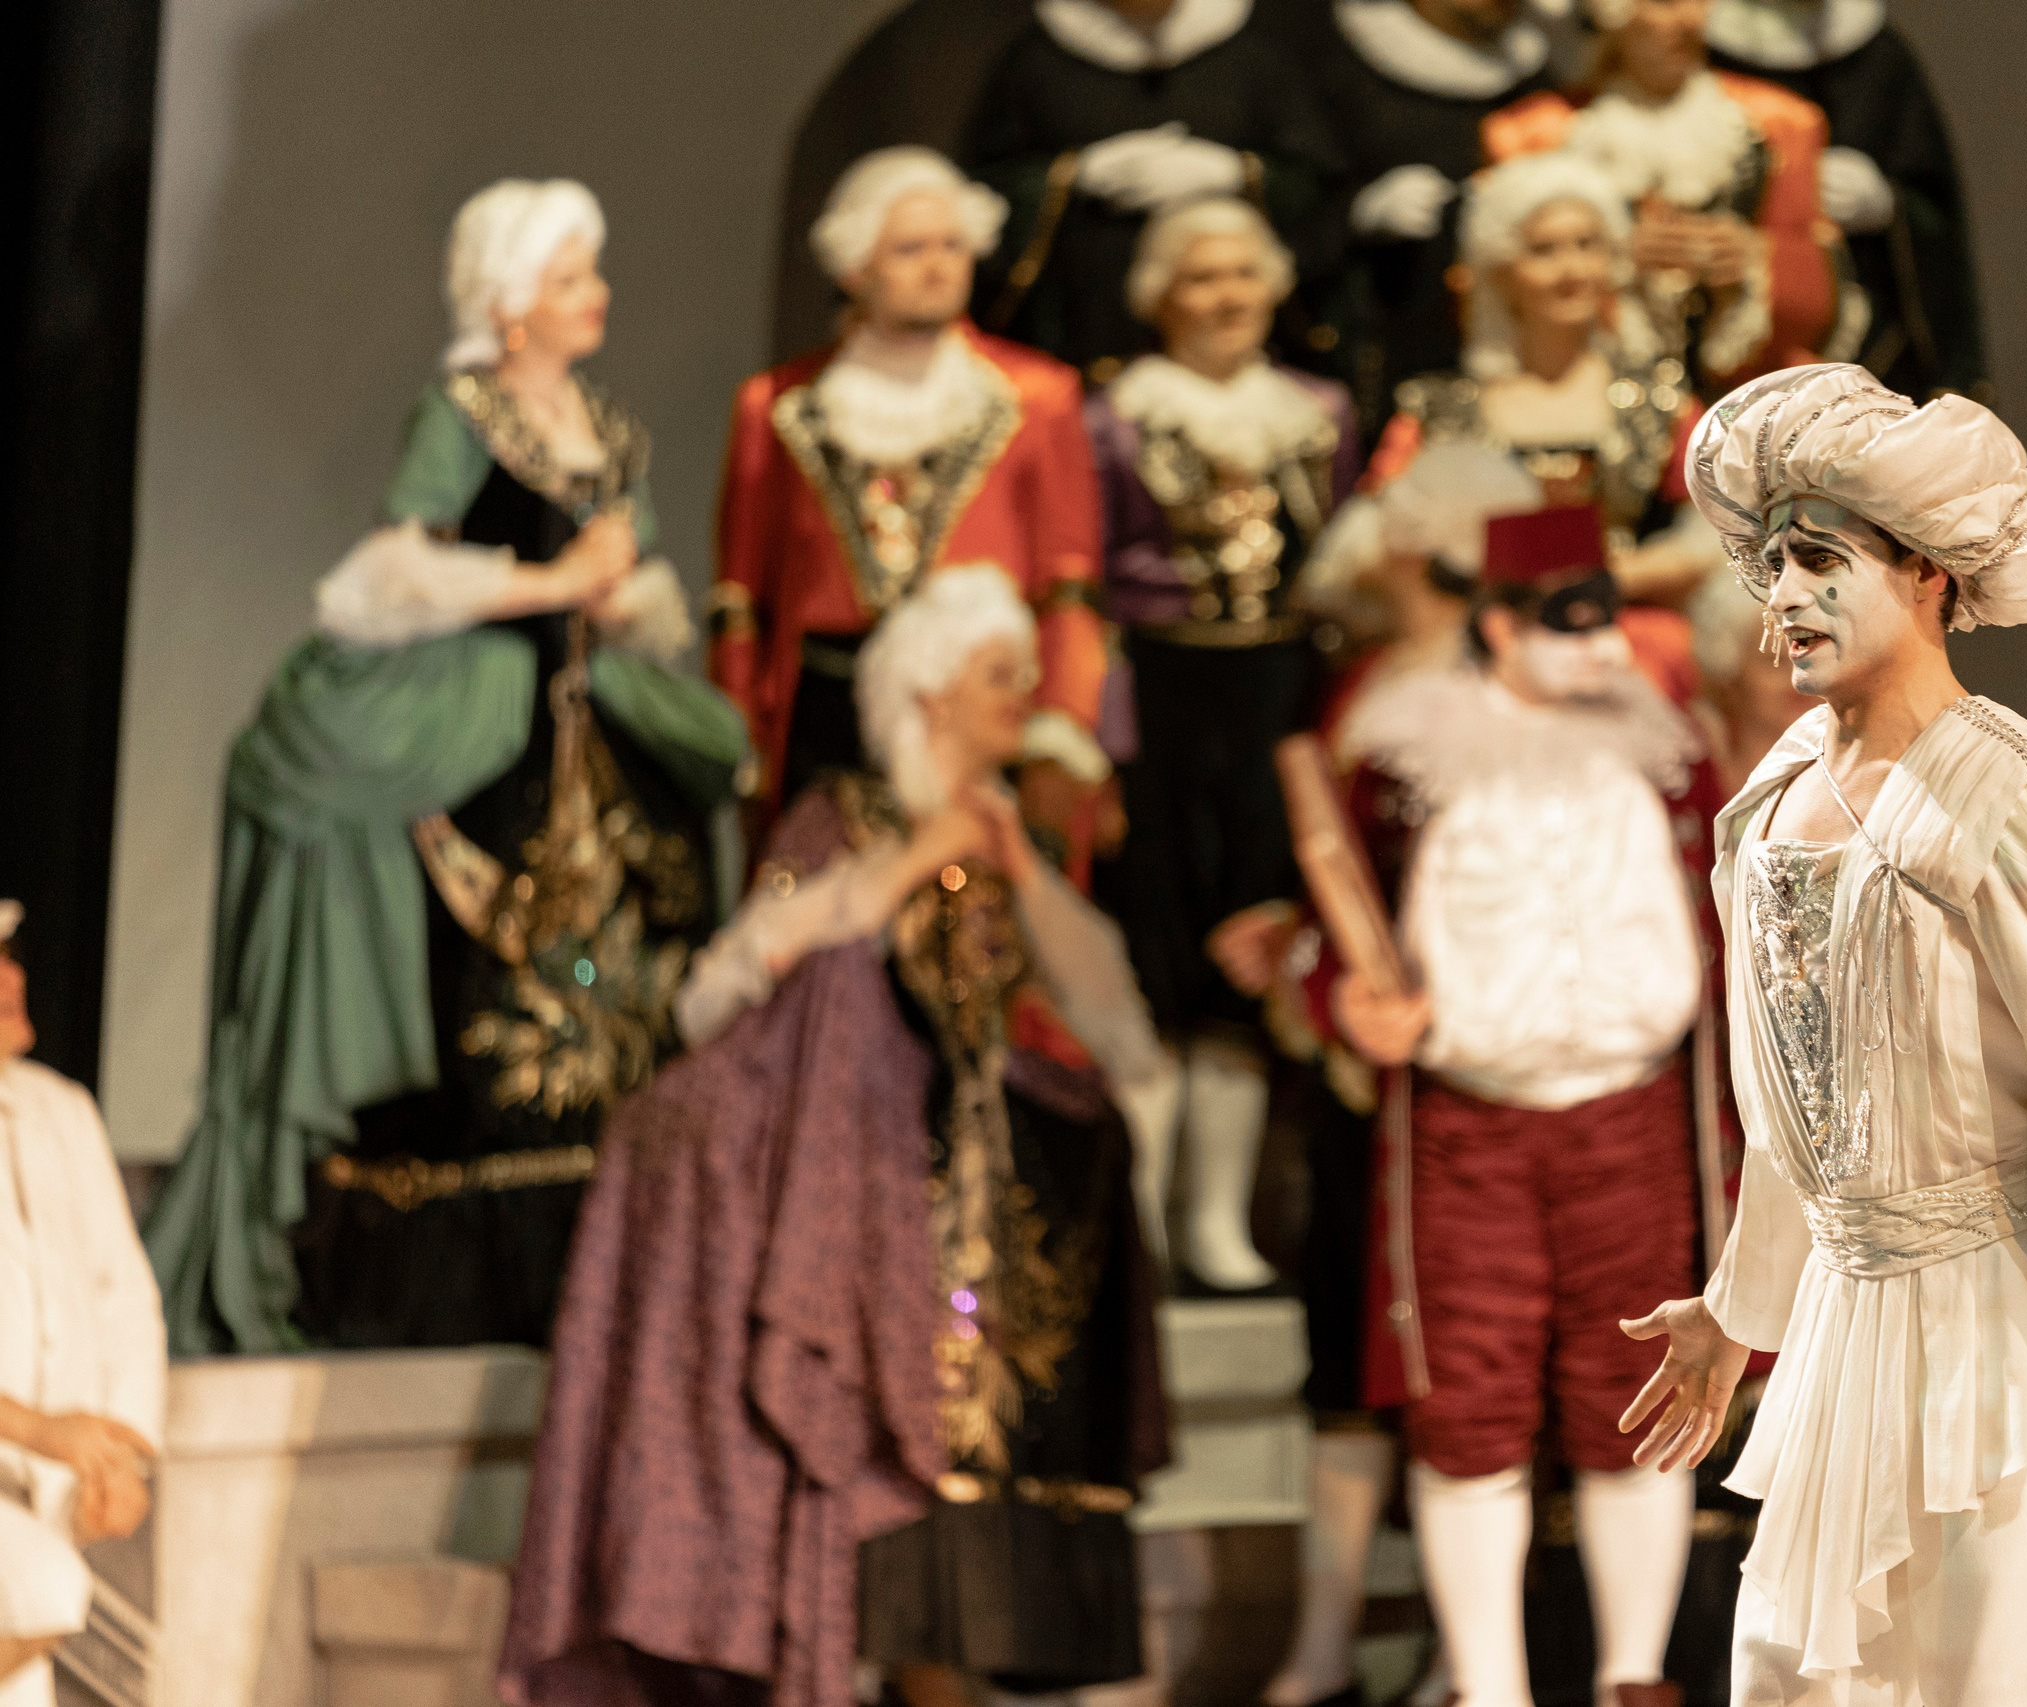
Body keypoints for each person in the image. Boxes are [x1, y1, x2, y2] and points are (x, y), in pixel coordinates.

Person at [1619, 363, 2027, 1706]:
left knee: (1983, 1665)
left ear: (1929, 574)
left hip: (1993, 1333)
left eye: (1822, 559)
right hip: (1841, 1323)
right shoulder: (1771, 797)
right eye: (1771, 562)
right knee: (1798, 1671)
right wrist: (1740, 1308)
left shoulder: (2013, 794)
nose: (1786, 594)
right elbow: (1788, 1108)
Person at [501, 568, 1173, 1707]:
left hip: (977, 1206)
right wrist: (915, 854)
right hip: (863, 1185)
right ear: (927, 693)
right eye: (995, 676)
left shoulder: (1015, 835)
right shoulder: (843, 817)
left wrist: (1017, 865)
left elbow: (1117, 1021)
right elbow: (729, 985)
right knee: (899, 1478)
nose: (1022, 696)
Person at [145, 180, 749, 1355]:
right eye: (572, 278)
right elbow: (392, 567)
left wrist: (620, 594)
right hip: (488, 728)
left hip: (598, 713)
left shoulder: (608, 425)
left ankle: (620, 1263)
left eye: (592, 274)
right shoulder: (463, 415)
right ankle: (472, 1278)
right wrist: (548, 586)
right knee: (494, 992)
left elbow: (648, 587)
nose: (597, 296)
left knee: (636, 957)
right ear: (511, 304)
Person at [1311, 501, 1723, 1707]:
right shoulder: (1401, 761)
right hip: (1470, 1127)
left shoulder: (1667, 748)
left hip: (1632, 1119)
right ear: (1497, 625)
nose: (1600, 646)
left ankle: (1631, 1677)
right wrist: (1349, 999)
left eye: (1607, 616)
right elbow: (1334, 934)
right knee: (1470, 1406)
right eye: (1568, 620)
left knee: (1636, 1397)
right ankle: (1492, 1691)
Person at [1224, 442, 1546, 1707]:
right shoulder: (1360, 685)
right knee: (1351, 1358)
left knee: (1462, 1360)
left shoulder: (1512, 685)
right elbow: (1335, 872)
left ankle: (1477, 1655)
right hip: (1365, 1075)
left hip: (1475, 1072)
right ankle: (1326, 1642)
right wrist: (1306, 966)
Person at [1087, 198, 1361, 1291]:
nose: (1226, 297)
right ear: (1159, 295)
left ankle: (1216, 1222)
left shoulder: (1321, 412)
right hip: (1158, 692)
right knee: (1151, 942)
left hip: (1276, 690)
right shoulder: (1112, 419)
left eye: (1243, 274)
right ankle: (1140, 1219)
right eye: (1201, 277)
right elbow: (1088, 581)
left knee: (1252, 944)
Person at [712, 148, 1111, 842]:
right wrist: (739, 722)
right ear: (855, 265)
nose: (937, 266)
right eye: (909, 248)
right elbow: (742, 596)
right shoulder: (779, 406)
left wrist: (1061, 723)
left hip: (979, 712)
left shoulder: (1038, 397)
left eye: (952, 245)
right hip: (826, 710)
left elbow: (1068, 584)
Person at [1367, 152, 1719, 694]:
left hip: (1621, 642)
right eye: (1544, 250)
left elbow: (1719, 528)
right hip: (1482, 649)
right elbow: (1377, 545)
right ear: (1503, 274)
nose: (1571, 269)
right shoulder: (1443, 409)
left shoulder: (1658, 398)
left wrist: (1614, 578)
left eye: (1586, 245)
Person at [1482, 0, 1852, 394]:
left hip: (1748, 399)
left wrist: (1755, 260)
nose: (1691, 20)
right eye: (1665, 2)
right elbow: (1496, 301)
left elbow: (1821, 293)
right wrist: (1607, 264)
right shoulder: (1535, 136)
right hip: (1592, 396)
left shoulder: (1781, 124)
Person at [961, 0, 1341, 380]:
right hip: (1089, 320)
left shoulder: (1254, 55)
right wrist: (1074, 173)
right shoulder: (1036, 60)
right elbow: (992, 181)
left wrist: (1236, 172)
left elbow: (1316, 178)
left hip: (1229, 343)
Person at [0, 903, 164, 1707]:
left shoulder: (63, 1111)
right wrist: (32, 1427)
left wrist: (119, 1452)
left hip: (51, 1493)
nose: (10, 978)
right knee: (48, 1588)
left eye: (9, 955)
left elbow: (123, 1293)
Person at [1706, 0, 1990, 403]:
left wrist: (1889, 203)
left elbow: (1936, 204)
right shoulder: (1700, 48)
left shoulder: (1880, 56)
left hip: (1872, 329)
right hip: (1743, 335)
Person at [1310, 0, 1556, 430]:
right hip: (1395, 340)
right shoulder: (1338, 66)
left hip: (1522, 356)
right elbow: (1296, 209)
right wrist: (1360, 214)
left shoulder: (1537, 75)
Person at [1688, 557, 1815, 781]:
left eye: (1807, 654)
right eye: (1773, 661)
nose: (1796, 676)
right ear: (1730, 676)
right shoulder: (1694, 773)